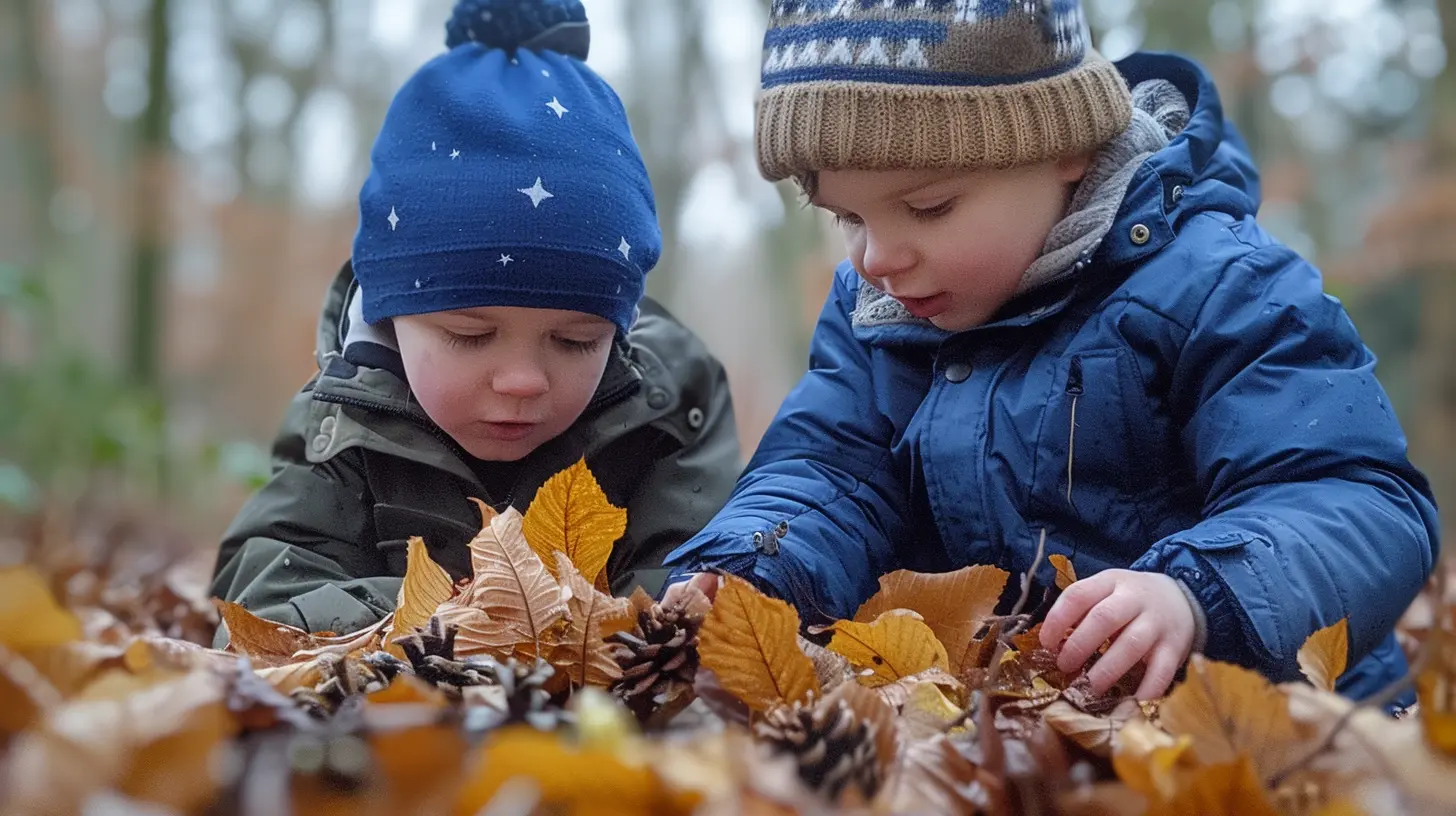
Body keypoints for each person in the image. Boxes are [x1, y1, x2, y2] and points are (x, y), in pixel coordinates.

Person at [664, 0, 1439, 701]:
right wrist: (751, 570)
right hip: (1007, 727)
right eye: (849, 218)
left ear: (1068, 147)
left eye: (928, 206)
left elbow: (1358, 499)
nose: (877, 258)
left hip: (1260, 724)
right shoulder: (874, 313)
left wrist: (1198, 596)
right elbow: (829, 474)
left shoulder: (1219, 284)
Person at [210, 0, 740, 639]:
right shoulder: (344, 421)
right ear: (391, 318)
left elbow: (691, 581)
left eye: (576, 341)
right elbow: (261, 604)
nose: (522, 380)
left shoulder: (666, 408)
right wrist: (469, 619)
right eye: (470, 335)